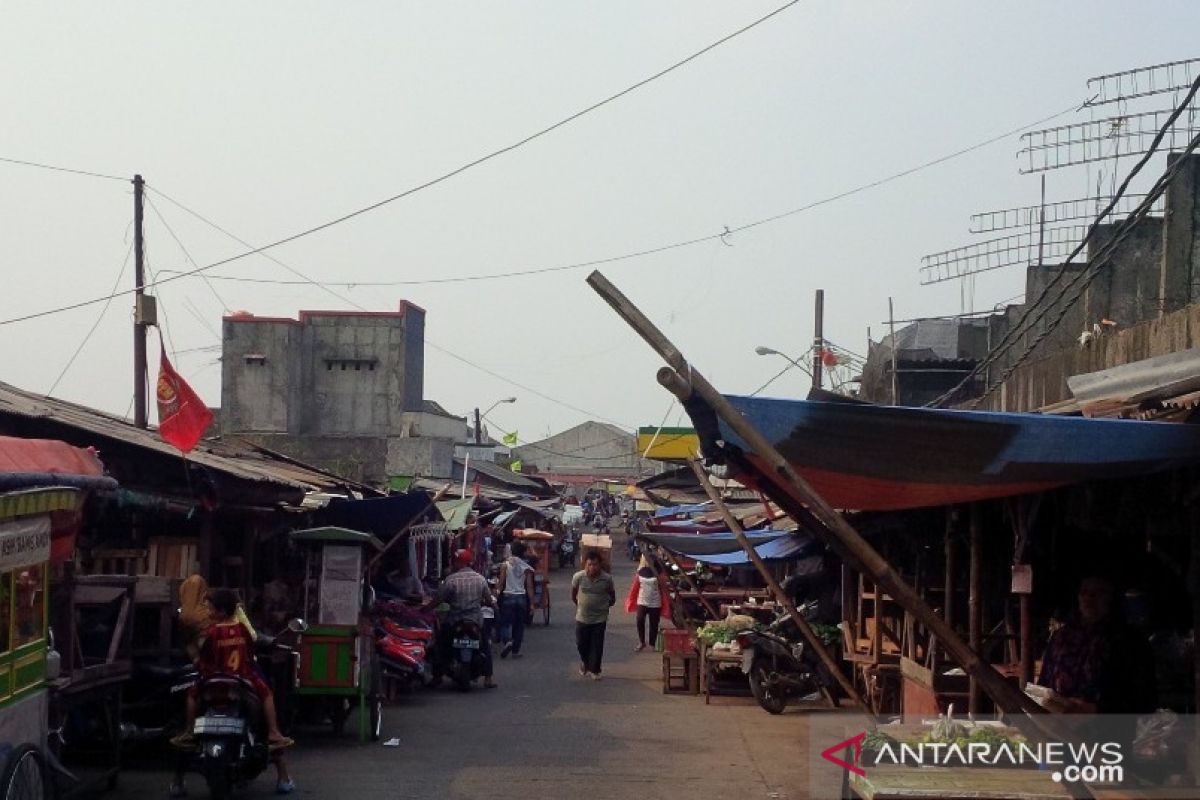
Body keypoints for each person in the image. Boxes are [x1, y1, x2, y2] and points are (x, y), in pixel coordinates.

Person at [172, 588, 294, 794]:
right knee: (267, 695)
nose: (207, 612)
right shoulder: (242, 630)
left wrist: (200, 665)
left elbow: (204, 659)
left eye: (210, 608)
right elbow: (250, 651)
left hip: (212, 680)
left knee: (192, 695)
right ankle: (274, 731)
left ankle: (189, 730)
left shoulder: (210, 632)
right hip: (242, 677)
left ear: (221, 611)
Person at [1037, 573, 1156, 714]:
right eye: (1084, 592)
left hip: (1108, 730)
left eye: (1098, 593)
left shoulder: (1131, 641)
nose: (1089, 598)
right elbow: (1044, 685)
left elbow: (1145, 700)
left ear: (1112, 598)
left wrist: (1095, 710)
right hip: (1058, 729)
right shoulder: (1061, 637)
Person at [433, 549, 498, 689]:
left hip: (455, 621)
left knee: (442, 644)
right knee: (485, 645)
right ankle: (488, 678)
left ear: (459, 562)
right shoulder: (480, 579)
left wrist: (426, 608)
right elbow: (488, 599)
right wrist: (494, 607)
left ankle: (437, 676)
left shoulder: (451, 580)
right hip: (475, 621)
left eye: (455, 561)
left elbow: (439, 599)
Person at [572, 552, 616, 680]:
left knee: (597, 645)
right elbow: (573, 595)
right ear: (585, 564)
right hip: (582, 617)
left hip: (600, 617)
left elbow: (612, 597)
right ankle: (586, 663)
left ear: (600, 565)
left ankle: (595, 670)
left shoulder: (607, 579)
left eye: (595, 564)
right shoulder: (578, 577)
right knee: (581, 643)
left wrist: (604, 606)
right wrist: (581, 604)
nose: (592, 568)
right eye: (589, 564)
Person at [496, 542, 534, 659]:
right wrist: (532, 603)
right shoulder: (526, 567)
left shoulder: (505, 564)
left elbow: (501, 582)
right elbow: (529, 586)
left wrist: (496, 595)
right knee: (519, 625)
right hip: (521, 597)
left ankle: (507, 641)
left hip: (508, 596)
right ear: (523, 552)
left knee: (505, 623)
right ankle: (515, 651)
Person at [632, 558, 662, 652]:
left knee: (654, 623)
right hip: (642, 600)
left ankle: (652, 644)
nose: (649, 562)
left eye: (651, 561)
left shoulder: (659, 572)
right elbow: (635, 586)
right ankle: (642, 642)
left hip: (655, 601)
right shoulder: (640, 572)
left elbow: (663, 586)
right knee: (639, 620)